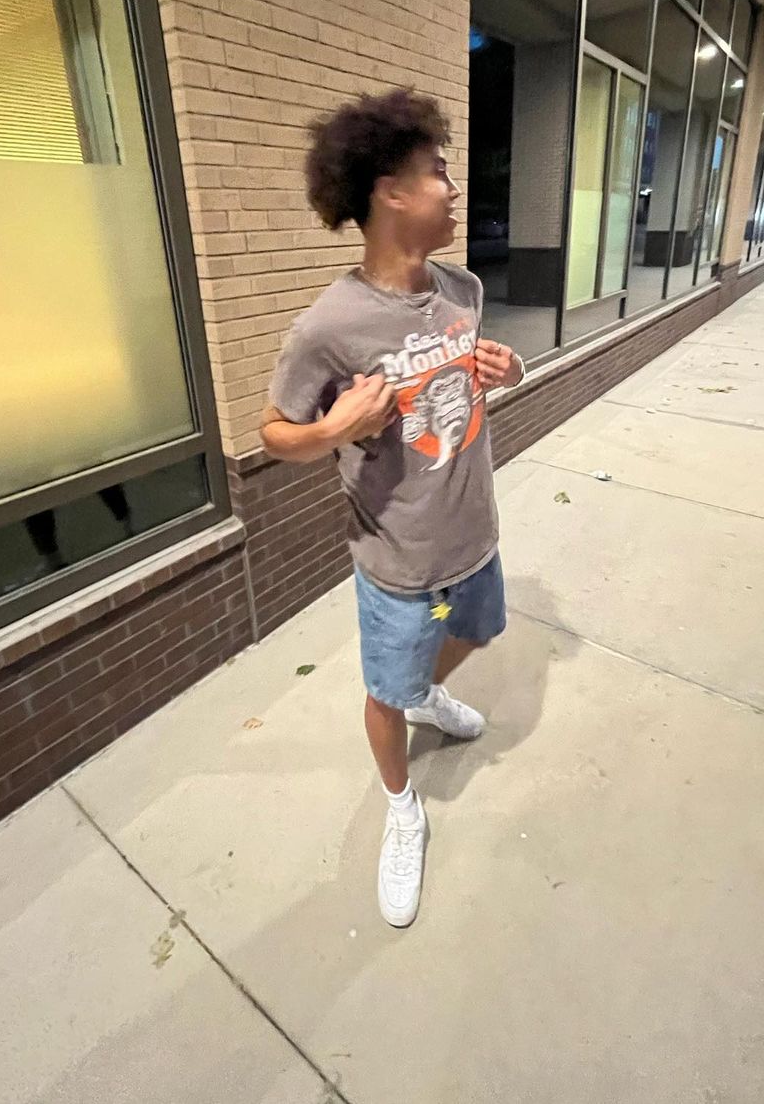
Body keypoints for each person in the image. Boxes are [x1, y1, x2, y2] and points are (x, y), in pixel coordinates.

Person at [260, 87, 525, 927]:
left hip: (473, 532)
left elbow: (475, 385)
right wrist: (331, 428)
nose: (454, 187)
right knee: (385, 693)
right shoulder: (328, 327)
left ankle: (425, 694)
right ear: (392, 194)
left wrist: (510, 373)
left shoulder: (463, 289)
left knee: (478, 629)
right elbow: (274, 433)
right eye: (439, 171)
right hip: (397, 556)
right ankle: (402, 807)